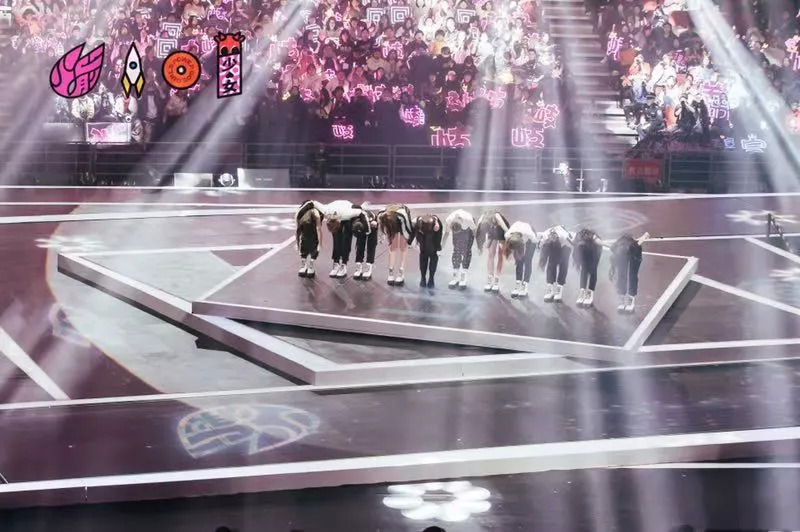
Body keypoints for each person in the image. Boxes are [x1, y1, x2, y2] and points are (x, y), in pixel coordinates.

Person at [321, 200, 371, 278]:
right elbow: (312, 203)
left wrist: (368, 231)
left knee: (346, 239)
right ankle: (336, 262)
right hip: (337, 212)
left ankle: (344, 264)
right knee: (336, 240)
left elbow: (361, 212)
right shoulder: (326, 211)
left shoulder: (350, 213)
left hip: (347, 213)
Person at [609, 232, 650, 313]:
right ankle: (622, 298)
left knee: (632, 276)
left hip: (635, 256)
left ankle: (631, 299)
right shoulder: (616, 249)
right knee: (621, 275)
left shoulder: (633, 247)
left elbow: (637, 244)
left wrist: (644, 237)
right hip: (624, 253)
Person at [378, 204, 413, 285]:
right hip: (391, 222)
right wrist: (381, 236)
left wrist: (409, 241)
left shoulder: (402, 215)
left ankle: (401, 271)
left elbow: (407, 229)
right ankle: (390, 272)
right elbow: (381, 228)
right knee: (392, 247)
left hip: (402, 223)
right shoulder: (381, 216)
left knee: (402, 247)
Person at [475, 211, 510, 292]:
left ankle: (497, 279)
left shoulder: (497, 217)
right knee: (491, 254)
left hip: (502, 230)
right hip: (492, 230)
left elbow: (507, 231)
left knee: (500, 254)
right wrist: (479, 248)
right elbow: (478, 235)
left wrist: (507, 245)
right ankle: (489, 278)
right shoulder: (482, 220)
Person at [538, 225, 574, 302]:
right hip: (551, 244)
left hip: (565, 246)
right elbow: (539, 247)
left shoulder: (564, 237)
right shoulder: (544, 237)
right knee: (551, 264)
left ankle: (559, 288)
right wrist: (543, 257)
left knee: (563, 264)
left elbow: (573, 244)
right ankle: (550, 289)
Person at [442, 209, 476, 289]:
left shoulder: (468, 220)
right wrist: (441, 247)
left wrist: (478, 246)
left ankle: (463, 277)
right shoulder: (449, 220)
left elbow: (475, 232)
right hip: (458, 225)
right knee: (456, 250)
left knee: (466, 251)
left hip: (469, 229)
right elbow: (446, 234)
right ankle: (455, 276)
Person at [504, 221, 538, 298]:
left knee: (527, 260)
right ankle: (518, 284)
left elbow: (535, 241)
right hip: (519, 237)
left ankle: (525, 285)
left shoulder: (529, 234)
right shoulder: (507, 235)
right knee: (519, 261)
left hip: (530, 240)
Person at [572, 228, 603, 307]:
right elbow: (576, 251)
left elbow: (600, 244)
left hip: (594, 251)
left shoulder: (595, 243)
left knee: (593, 270)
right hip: (584, 250)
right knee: (584, 269)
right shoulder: (577, 241)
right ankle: (582, 291)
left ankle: (590, 293)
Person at [411, 214, 443, 288]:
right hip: (423, 247)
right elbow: (413, 233)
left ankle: (431, 278)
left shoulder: (436, 224)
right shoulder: (417, 222)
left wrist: (438, 248)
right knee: (423, 262)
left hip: (432, 247)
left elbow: (439, 235)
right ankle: (423, 278)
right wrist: (411, 242)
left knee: (432, 262)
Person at [295, 200, 325, 277]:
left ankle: (308, 265)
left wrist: (319, 245)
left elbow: (318, 229)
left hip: (312, 229)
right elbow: (298, 230)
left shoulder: (316, 214)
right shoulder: (299, 215)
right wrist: (297, 243)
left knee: (311, 243)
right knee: (307, 243)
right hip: (307, 230)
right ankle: (306, 265)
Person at [352, 209, 378, 280]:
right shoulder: (353, 220)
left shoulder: (369, 221)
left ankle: (369, 267)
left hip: (372, 225)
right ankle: (358, 266)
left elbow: (369, 231)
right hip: (361, 223)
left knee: (371, 245)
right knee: (359, 245)